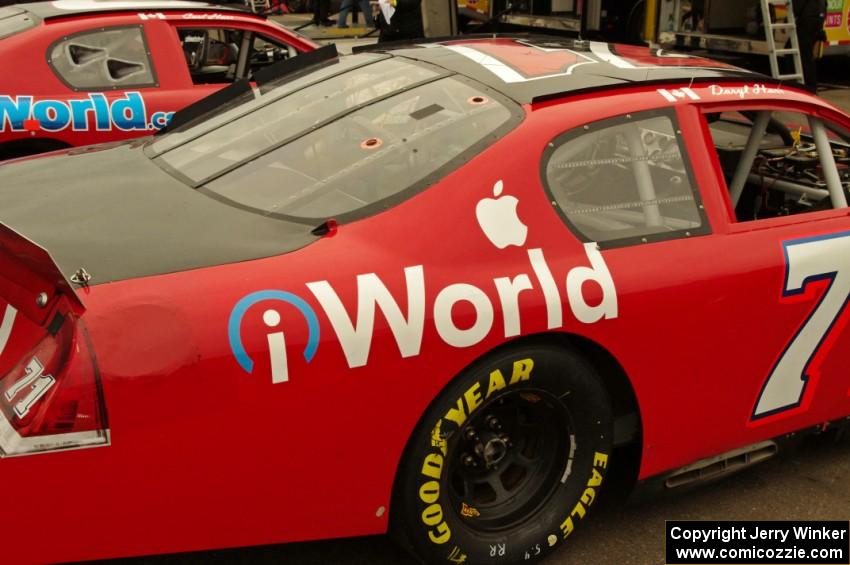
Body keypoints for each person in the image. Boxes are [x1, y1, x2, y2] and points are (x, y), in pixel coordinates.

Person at [793, 0, 827, 92]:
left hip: (808, 22)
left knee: (804, 57)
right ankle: (809, 86)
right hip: (818, 20)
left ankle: (809, 88)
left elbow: (797, 7)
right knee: (807, 56)